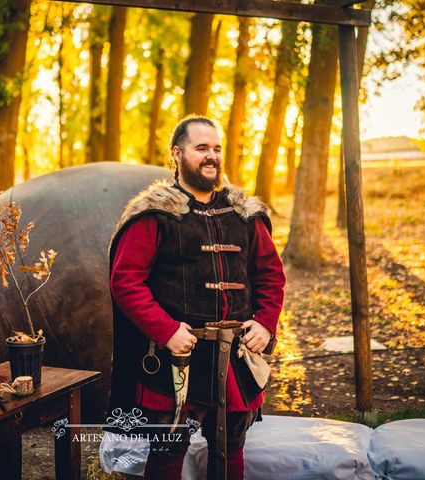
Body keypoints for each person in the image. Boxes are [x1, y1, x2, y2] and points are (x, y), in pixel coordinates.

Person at [108, 116, 286, 479]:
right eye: (201, 148)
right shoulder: (154, 214)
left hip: (233, 357)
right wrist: (166, 330)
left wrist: (266, 324)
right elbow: (125, 280)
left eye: (216, 149)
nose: (211, 156)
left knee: (230, 448)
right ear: (177, 154)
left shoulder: (244, 214)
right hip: (177, 357)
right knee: (167, 450)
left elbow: (271, 276)